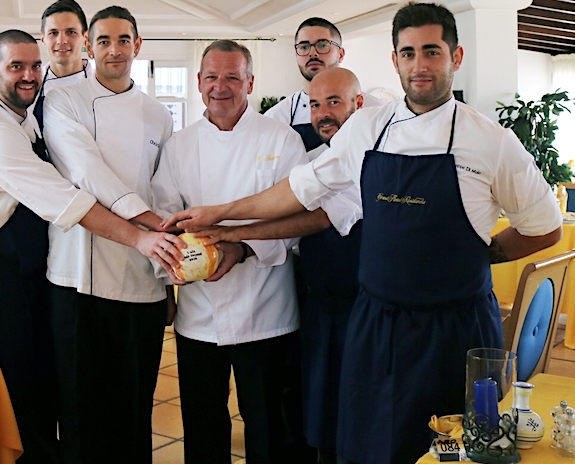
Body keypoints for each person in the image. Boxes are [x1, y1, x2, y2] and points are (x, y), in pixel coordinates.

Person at [163, 4, 563, 463]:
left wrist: (479, 254)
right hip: (377, 326)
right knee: (370, 447)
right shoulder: (370, 128)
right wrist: (223, 214)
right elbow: (300, 189)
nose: (419, 65)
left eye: (432, 51)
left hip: (456, 328)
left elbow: (545, 228)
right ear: (395, 60)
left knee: (454, 449)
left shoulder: (491, 140)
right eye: (408, 53)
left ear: (456, 56)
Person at [0, 29, 184, 464]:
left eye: (34, 66)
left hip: (22, 279)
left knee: (36, 403)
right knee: (8, 409)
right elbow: (70, 201)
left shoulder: (25, 118)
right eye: (16, 67)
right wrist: (143, 237)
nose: (29, 75)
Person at [191, 67, 366, 464]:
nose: (323, 114)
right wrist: (230, 232)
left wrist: (230, 229)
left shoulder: (374, 155)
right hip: (319, 307)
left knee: (359, 417)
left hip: (365, 309)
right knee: (316, 416)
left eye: (334, 102)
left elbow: (316, 218)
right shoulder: (315, 160)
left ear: (358, 103)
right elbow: (286, 202)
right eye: (315, 105)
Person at [150, 40, 307, 464]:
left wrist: (243, 248)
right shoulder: (180, 145)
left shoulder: (282, 139)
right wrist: (175, 263)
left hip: (267, 310)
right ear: (199, 81)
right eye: (212, 77)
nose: (220, 87)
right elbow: (164, 215)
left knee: (268, 429)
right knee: (203, 427)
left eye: (232, 77)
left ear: (250, 83)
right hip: (199, 313)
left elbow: (298, 218)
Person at [41, 6, 176, 462]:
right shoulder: (64, 101)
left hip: (140, 276)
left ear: (138, 45)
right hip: (75, 278)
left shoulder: (158, 115)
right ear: (89, 46)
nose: (114, 50)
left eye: (123, 41)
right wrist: (147, 223)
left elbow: (164, 190)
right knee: (79, 412)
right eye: (103, 41)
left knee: (134, 408)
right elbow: (85, 170)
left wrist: (166, 269)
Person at [265, 17, 381, 151]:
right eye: (304, 47)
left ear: (341, 54)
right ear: (296, 55)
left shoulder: (376, 111)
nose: (312, 53)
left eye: (323, 45)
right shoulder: (275, 118)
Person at [32, 0, 92, 130]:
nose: (61, 41)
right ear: (43, 39)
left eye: (71, 32)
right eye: (53, 33)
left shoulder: (102, 86)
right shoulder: (31, 87)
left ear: (85, 38)